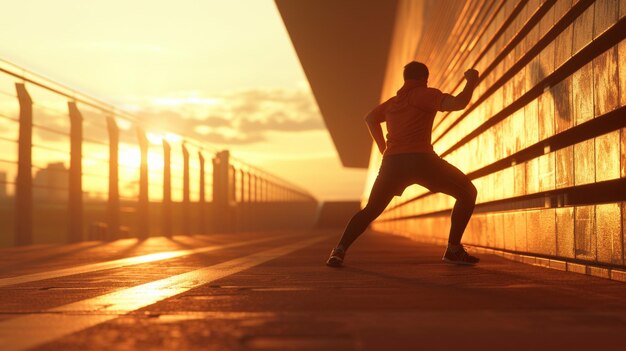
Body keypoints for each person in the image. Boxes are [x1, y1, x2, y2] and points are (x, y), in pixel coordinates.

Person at [326, 61, 480, 267]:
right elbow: (459, 103)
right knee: (467, 192)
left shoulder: (393, 103)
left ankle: (339, 251)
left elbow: (370, 118)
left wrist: (383, 148)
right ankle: (453, 249)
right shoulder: (425, 94)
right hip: (422, 161)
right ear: (424, 79)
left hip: (392, 164)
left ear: (405, 79)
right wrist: (471, 82)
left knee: (371, 210)